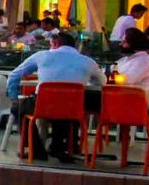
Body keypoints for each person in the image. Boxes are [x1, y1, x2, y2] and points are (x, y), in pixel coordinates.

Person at [6, 30, 105, 160]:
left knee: (18, 108)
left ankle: (36, 150)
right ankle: (58, 147)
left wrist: (13, 97)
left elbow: (14, 75)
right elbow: (102, 82)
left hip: (44, 104)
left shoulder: (42, 56)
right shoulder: (88, 62)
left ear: (56, 43)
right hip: (72, 107)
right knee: (63, 108)